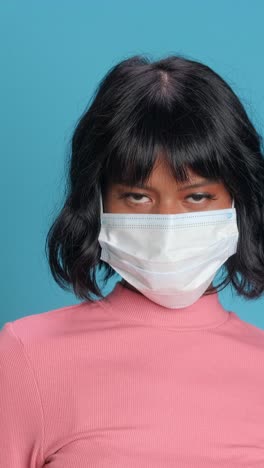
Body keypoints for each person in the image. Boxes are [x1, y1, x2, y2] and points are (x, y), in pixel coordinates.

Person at [1, 54, 264, 467]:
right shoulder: (25, 358)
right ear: (98, 202)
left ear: (238, 203)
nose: (167, 225)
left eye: (197, 197)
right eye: (138, 197)